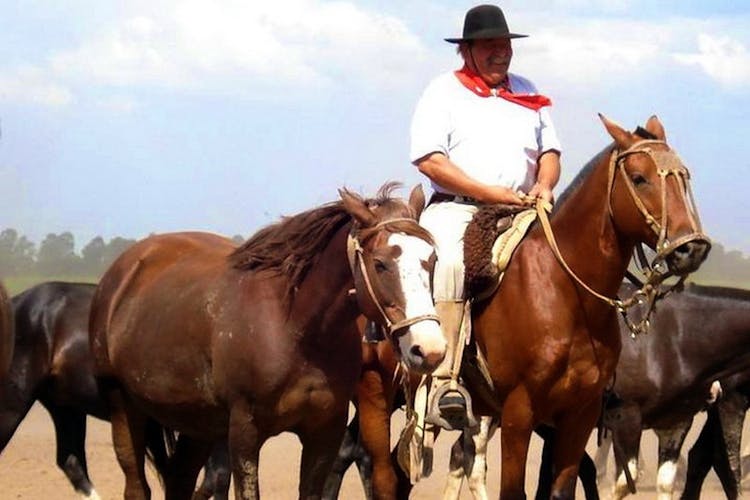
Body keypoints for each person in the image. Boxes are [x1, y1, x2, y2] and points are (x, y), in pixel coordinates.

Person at [410, 4, 562, 430]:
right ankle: (444, 382)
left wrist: (544, 185)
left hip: (525, 207)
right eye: (490, 46)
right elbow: (430, 161)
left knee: (572, 257)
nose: (501, 54)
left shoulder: (528, 90)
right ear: (468, 50)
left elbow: (550, 153)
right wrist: (488, 192)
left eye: (505, 46)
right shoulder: (442, 92)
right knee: (453, 264)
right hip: (458, 209)